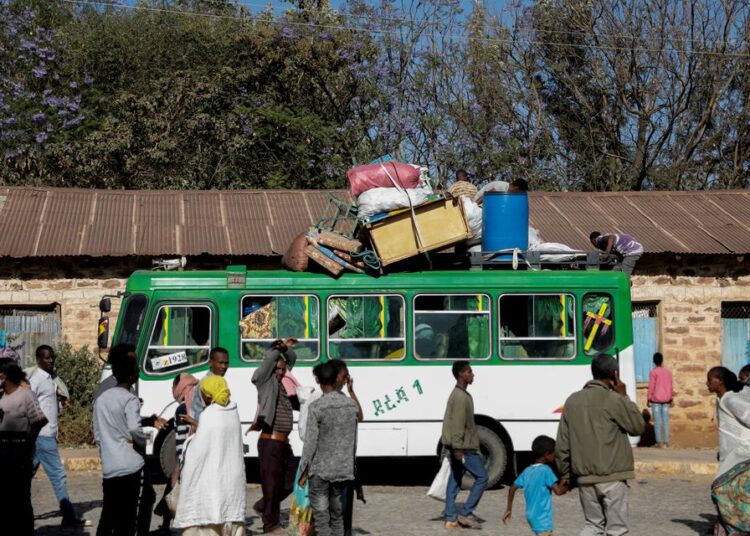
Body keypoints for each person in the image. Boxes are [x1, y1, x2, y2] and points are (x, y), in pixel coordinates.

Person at [556, 353, 644, 536]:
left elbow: (562, 443)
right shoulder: (615, 400)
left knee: (592, 526)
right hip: (612, 475)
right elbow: (638, 427)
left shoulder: (572, 400)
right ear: (614, 375)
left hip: (585, 477)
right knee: (617, 529)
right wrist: (625, 396)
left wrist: (566, 474)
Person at [93, 343, 167, 536]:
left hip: (111, 465)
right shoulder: (128, 397)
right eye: (133, 363)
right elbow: (133, 427)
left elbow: (100, 430)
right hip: (130, 464)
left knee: (111, 512)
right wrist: (142, 442)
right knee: (126, 515)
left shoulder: (103, 397)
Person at [173, 375, 246, 536]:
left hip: (214, 480)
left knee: (212, 519)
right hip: (232, 479)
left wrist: (188, 443)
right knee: (229, 518)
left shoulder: (209, 414)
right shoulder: (233, 411)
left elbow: (198, 451)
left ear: (208, 394)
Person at [27, 345, 89, 528]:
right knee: (58, 475)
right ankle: (69, 516)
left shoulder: (51, 379)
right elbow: (30, 403)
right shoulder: (37, 379)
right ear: (38, 359)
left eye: (52, 357)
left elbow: (46, 404)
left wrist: (61, 405)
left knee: (25, 474)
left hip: (45, 435)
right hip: (43, 435)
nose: (50, 360)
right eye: (46, 358)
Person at [298, 362, 359, 536]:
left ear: (318, 380)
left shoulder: (316, 407)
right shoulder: (350, 406)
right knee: (338, 516)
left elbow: (310, 443)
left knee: (322, 518)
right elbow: (354, 440)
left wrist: (304, 470)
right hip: (342, 470)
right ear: (336, 378)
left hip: (320, 472)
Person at [250, 338, 299, 534]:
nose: (280, 372)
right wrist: (275, 351)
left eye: (282, 369)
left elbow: (292, 359)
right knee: (271, 486)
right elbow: (263, 370)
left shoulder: (285, 385)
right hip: (270, 441)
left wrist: (285, 349)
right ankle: (270, 525)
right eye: (277, 369)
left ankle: (263, 506)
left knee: (291, 480)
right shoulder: (265, 383)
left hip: (283, 444)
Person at [0, 360, 48, 535]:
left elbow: (40, 421)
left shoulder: (25, 395)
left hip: (19, 456)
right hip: (3, 456)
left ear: (4, 375)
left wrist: (26, 445)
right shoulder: (1, 397)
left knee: (21, 500)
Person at [441, 360, 488, 529]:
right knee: (482, 477)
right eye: (469, 371)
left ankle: (451, 518)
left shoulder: (458, 394)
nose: (472, 374)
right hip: (464, 448)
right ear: (461, 374)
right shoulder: (461, 397)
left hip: (459, 446)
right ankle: (466, 513)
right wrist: (458, 449)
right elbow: (458, 424)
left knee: (454, 481)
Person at [706, 366, 750, 535]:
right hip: (730, 457)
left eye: (710, 379)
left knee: (722, 492)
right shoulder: (723, 399)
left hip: (741, 456)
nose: (707, 383)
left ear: (720, 381)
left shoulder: (731, 400)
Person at [154, 372, 199, 533]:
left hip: (188, 458)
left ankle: (172, 524)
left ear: (180, 387)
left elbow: (180, 439)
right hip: (200, 456)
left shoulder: (182, 408)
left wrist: (181, 462)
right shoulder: (199, 401)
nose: (172, 390)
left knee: (175, 489)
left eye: (173, 386)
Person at [503, 435, 569, 535]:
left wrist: (509, 509)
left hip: (531, 516)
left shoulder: (527, 470)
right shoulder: (546, 470)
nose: (555, 456)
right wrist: (569, 485)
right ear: (547, 454)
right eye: (553, 453)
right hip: (542, 519)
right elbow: (559, 491)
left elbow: (512, 488)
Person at [329, 359, 365, 536]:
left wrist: (351, 391)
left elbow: (360, 415)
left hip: (347, 463)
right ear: (336, 377)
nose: (347, 379)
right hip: (335, 465)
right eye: (345, 376)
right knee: (337, 509)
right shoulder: (327, 400)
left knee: (345, 509)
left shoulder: (345, 398)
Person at [192, 347, 230, 423]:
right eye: (220, 363)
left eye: (226, 363)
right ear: (210, 362)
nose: (224, 367)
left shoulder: (217, 381)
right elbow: (213, 409)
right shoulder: (207, 382)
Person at [647, 352, 673, 448]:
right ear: (662, 360)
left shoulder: (653, 372)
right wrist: (671, 397)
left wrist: (649, 398)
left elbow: (651, 386)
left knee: (657, 421)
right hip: (666, 399)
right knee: (665, 421)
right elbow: (670, 386)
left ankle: (658, 442)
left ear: (654, 361)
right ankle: (666, 442)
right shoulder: (668, 372)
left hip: (656, 400)